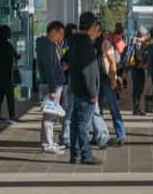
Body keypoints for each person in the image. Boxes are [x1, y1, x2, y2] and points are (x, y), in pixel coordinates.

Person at [66, 12, 103, 165]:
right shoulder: (85, 44)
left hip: (77, 88)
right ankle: (86, 155)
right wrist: (93, 92)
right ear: (92, 27)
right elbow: (88, 72)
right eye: (96, 26)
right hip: (86, 91)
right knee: (82, 124)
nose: (97, 30)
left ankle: (74, 154)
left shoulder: (73, 42)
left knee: (75, 123)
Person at [36, 21, 66, 154]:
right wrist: (53, 89)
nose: (61, 37)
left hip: (52, 84)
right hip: (51, 86)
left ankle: (49, 142)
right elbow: (49, 69)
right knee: (49, 116)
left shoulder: (48, 45)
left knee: (51, 116)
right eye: (60, 33)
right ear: (53, 31)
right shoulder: (47, 47)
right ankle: (47, 144)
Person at [96, 31, 126, 146]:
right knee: (98, 109)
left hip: (106, 78)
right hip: (99, 79)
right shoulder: (93, 43)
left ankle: (120, 134)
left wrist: (113, 79)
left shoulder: (105, 44)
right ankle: (100, 135)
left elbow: (112, 62)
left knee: (112, 107)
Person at [0, 25, 18, 121]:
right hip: (8, 74)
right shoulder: (8, 45)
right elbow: (15, 56)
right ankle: (12, 115)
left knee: (0, 95)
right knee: (10, 96)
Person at [57, 23, 77, 148]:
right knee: (69, 110)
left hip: (66, 81)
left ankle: (65, 136)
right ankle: (66, 137)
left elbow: (62, 64)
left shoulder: (64, 45)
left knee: (67, 110)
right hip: (70, 82)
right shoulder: (73, 47)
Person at [130, 28, 149, 115]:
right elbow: (138, 56)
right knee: (138, 89)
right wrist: (144, 63)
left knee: (137, 89)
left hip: (135, 68)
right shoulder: (141, 43)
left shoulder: (134, 41)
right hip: (138, 68)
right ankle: (136, 109)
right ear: (144, 35)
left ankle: (136, 108)